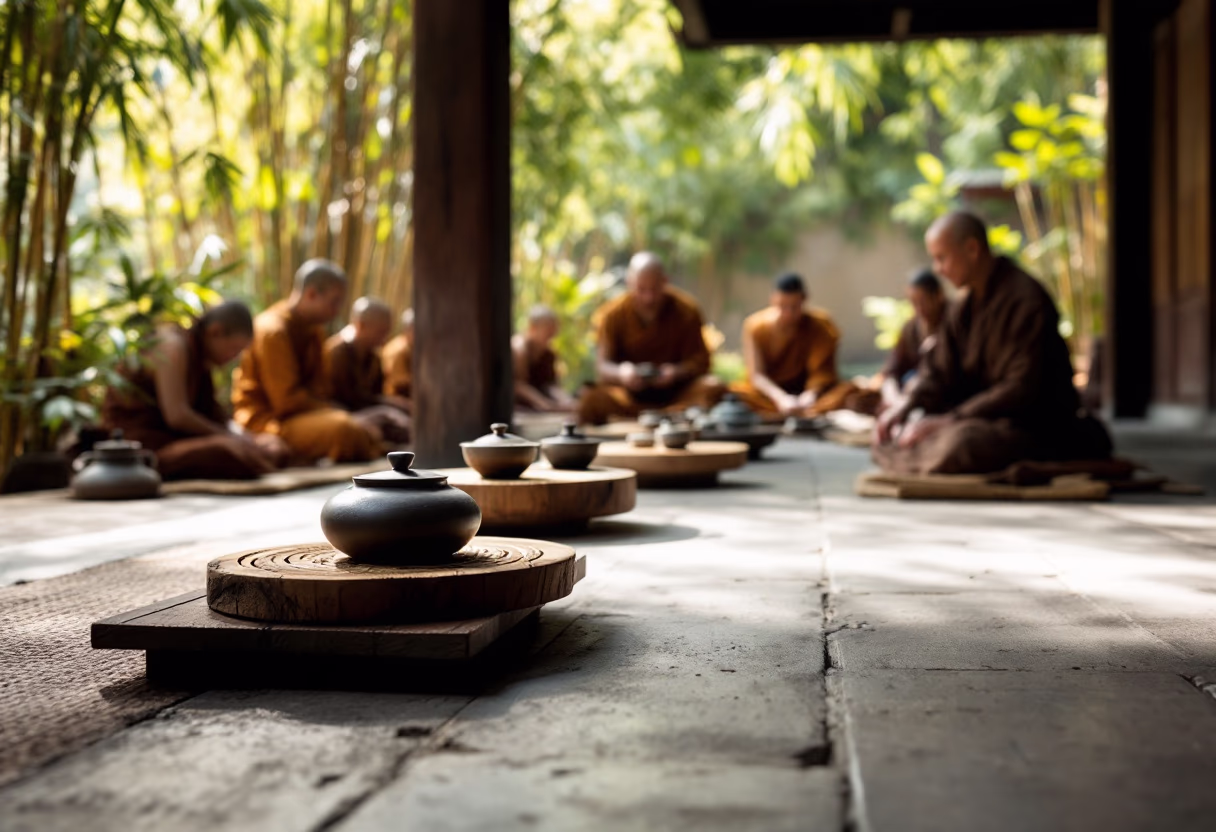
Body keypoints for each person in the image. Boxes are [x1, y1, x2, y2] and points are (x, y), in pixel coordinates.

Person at [874, 211, 1111, 475]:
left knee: (961, 444)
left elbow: (1022, 388)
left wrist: (952, 419)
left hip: (1031, 423)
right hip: (980, 419)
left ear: (972, 249)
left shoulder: (1025, 299)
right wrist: (905, 406)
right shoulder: (962, 306)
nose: (938, 269)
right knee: (901, 434)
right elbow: (938, 371)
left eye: (942, 258)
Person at [102, 301, 286, 480]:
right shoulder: (173, 346)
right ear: (215, 331)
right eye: (234, 349)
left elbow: (214, 416)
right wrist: (229, 438)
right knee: (228, 451)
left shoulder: (200, 357)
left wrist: (248, 438)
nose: (234, 358)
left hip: (178, 441)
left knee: (273, 445)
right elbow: (177, 416)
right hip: (143, 447)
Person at [232, 259, 382, 463]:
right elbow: (286, 401)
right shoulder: (272, 331)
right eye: (334, 302)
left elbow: (320, 388)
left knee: (361, 426)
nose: (336, 311)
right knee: (346, 429)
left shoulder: (314, 332)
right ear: (311, 294)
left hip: (302, 416)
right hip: (267, 420)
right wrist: (336, 412)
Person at [577, 252, 723, 424]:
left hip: (675, 397)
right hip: (629, 399)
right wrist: (623, 372)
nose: (649, 297)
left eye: (655, 289)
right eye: (641, 289)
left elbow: (702, 361)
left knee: (713, 387)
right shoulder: (612, 314)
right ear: (629, 283)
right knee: (591, 399)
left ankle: (673, 416)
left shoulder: (687, 311)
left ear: (665, 281)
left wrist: (675, 372)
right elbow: (603, 366)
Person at [730, 273, 875, 417]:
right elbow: (757, 376)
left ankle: (803, 411)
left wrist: (809, 395)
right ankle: (800, 413)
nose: (788, 313)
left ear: (804, 300)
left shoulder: (821, 325)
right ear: (773, 300)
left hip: (810, 397)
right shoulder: (756, 326)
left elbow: (823, 373)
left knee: (853, 391)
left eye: (794, 307)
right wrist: (781, 398)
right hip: (770, 398)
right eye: (783, 306)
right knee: (730, 394)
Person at [324, 296, 411, 443]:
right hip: (337, 415)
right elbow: (338, 399)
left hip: (365, 412)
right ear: (361, 325)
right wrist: (386, 409)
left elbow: (374, 395)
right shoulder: (336, 353)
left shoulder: (374, 358)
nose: (385, 338)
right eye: (381, 332)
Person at [876, 268, 947, 407]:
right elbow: (893, 369)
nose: (919, 308)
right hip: (908, 395)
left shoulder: (953, 320)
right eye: (914, 303)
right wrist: (894, 397)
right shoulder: (912, 327)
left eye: (924, 301)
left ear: (939, 296)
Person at [513, 305, 574, 412]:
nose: (552, 333)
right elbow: (518, 385)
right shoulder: (518, 349)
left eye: (554, 328)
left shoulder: (548, 354)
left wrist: (566, 401)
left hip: (540, 408)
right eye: (548, 328)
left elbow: (550, 384)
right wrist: (543, 403)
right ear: (533, 327)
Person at [381, 308, 414, 406]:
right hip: (393, 399)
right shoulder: (398, 350)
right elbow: (398, 383)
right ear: (408, 330)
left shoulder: (413, 349)